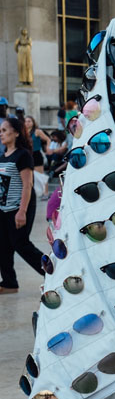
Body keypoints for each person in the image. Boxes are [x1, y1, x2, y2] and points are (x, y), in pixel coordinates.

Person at [0, 115, 46, 293]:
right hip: (3, 209)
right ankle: (9, 283)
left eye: (4, 130)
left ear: (16, 133)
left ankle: (53, 274)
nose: (1, 134)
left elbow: (28, 184)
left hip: (20, 207)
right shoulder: (2, 156)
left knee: (21, 244)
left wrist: (22, 211)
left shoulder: (23, 155)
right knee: (2, 245)